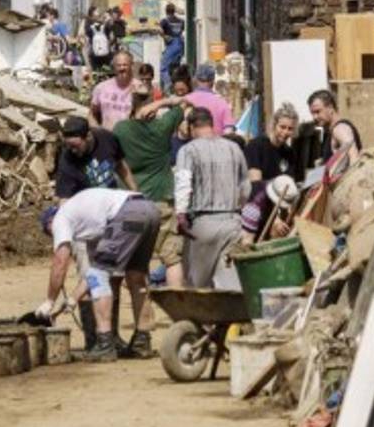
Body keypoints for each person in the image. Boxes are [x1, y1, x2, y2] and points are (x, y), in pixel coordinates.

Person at [37, 187, 161, 361]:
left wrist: (50, 301)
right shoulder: (87, 221)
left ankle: (105, 344)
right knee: (136, 278)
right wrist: (72, 300)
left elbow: (61, 261)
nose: (54, 236)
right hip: (150, 209)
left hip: (127, 213)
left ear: (49, 224)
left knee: (99, 277)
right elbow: (94, 270)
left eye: (50, 234)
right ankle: (142, 342)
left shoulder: (60, 218)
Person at [112, 81, 188, 289]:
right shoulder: (162, 127)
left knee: (137, 261)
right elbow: (183, 103)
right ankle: (176, 305)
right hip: (162, 199)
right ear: (152, 103)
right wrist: (162, 102)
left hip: (132, 202)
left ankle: (142, 309)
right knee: (171, 258)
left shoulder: (121, 129)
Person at [175, 107, 251, 288]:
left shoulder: (188, 150)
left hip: (203, 223)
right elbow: (246, 187)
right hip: (233, 221)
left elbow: (183, 184)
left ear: (192, 127)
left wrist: (181, 215)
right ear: (211, 124)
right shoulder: (234, 148)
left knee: (197, 285)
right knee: (230, 284)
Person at [55, 115, 136, 197]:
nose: (73, 150)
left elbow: (120, 165)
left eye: (76, 146)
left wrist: (135, 192)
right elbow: (64, 198)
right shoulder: (67, 161)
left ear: (88, 136)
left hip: (111, 198)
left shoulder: (107, 138)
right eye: (68, 146)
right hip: (87, 205)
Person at [245, 103, 299, 194]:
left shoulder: (289, 153)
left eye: (290, 129)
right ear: (274, 125)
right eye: (282, 127)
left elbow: (290, 184)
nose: (285, 132)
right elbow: (256, 184)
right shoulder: (256, 146)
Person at [307, 89, 362, 165]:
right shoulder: (332, 132)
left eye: (317, 111)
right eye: (312, 113)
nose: (314, 117)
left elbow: (354, 158)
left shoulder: (340, 128)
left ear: (330, 108)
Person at [241, 174, 300, 243]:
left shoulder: (268, 187)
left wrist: (276, 220)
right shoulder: (254, 209)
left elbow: (269, 206)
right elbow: (246, 242)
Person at [184, 63, 234, 135]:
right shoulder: (222, 103)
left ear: (196, 79)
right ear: (213, 81)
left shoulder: (185, 100)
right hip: (217, 144)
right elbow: (229, 131)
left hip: (191, 145)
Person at [91, 50, 136, 129]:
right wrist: (97, 130)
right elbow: (92, 114)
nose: (122, 68)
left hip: (129, 138)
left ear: (132, 66)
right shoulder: (101, 88)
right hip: (107, 136)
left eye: (125, 65)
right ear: (114, 67)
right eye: (118, 65)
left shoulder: (139, 89)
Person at [159, 2, 185, 90]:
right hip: (180, 45)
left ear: (166, 11)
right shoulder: (181, 21)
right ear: (174, 11)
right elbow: (182, 31)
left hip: (171, 45)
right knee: (175, 68)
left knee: (164, 68)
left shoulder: (165, 21)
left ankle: (168, 86)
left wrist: (164, 36)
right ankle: (177, 86)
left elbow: (159, 30)